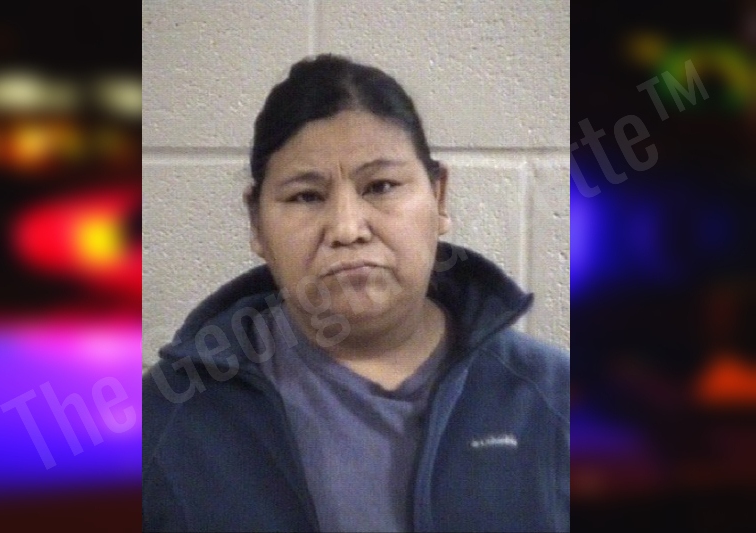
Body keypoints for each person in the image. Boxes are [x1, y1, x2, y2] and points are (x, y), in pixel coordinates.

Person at [142, 54, 569, 532]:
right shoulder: (165, 418)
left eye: (381, 186)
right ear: (257, 223)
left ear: (439, 197)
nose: (347, 229)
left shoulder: (557, 400)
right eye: (306, 196)